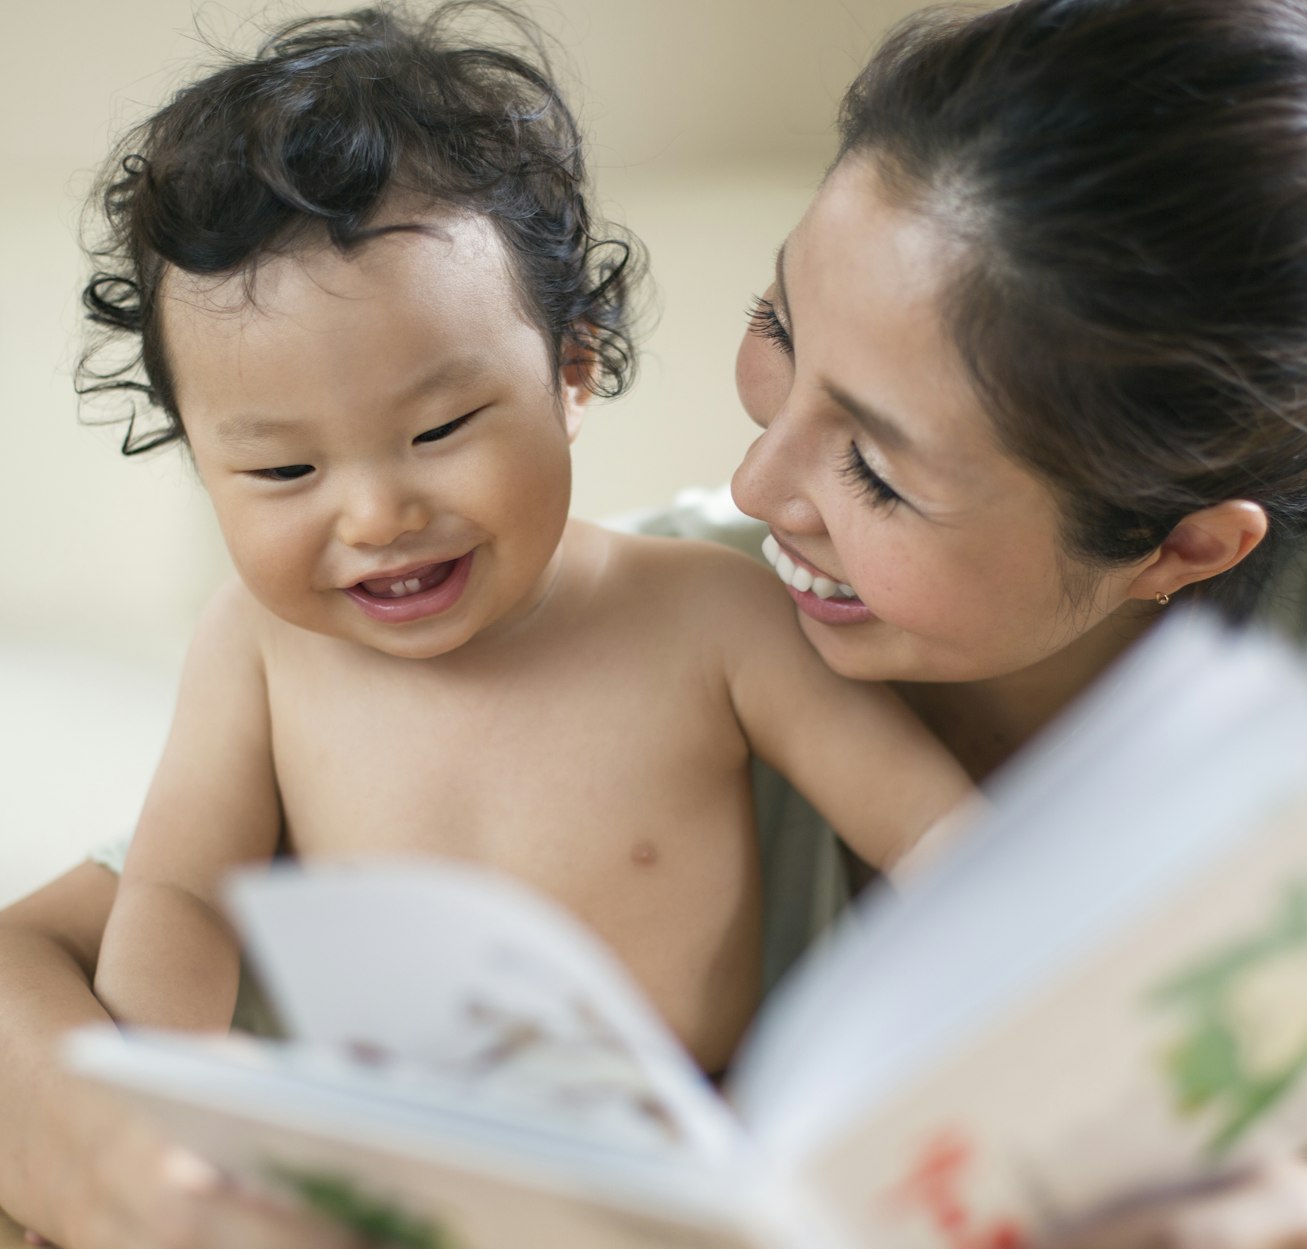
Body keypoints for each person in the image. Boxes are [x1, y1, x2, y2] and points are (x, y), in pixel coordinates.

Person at [0, 0, 1307, 1249]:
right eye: (779, 330)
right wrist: (124, 1161)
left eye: (878, 465)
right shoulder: (680, 590)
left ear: (1184, 546)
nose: (761, 485)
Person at [74, 6, 974, 1056]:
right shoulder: (257, 648)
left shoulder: (713, 615)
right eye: (282, 469)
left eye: (439, 428)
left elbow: (939, 837)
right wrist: (159, 1108)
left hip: (684, 1156)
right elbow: (181, 895)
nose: (375, 516)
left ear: (572, 372)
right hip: (387, 1166)